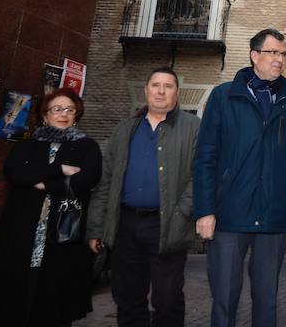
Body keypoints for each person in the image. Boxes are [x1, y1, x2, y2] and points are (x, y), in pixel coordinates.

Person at [193, 28, 286, 327]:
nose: (280, 59)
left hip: (273, 217)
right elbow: (205, 157)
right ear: (255, 55)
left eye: (284, 54)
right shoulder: (223, 97)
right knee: (224, 299)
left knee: (267, 300)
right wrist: (205, 210)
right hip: (229, 215)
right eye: (273, 53)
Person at [0, 88, 102, 326]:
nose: (63, 114)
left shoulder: (87, 147)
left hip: (63, 230)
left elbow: (86, 180)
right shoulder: (26, 146)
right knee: (14, 288)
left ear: (76, 115)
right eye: (57, 109)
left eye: (69, 110)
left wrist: (42, 184)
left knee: (54, 292)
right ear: (45, 115)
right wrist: (60, 170)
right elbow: (16, 173)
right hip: (21, 227)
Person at [86, 66, 200, 327]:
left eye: (168, 86)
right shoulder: (125, 129)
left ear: (176, 93)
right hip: (125, 225)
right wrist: (96, 227)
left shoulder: (194, 127)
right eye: (155, 85)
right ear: (146, 90)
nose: (161, 91)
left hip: (168, 224)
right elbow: (106, 181)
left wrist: (182, 212)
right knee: (127, 296)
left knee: (168, 297)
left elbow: (202, 176)